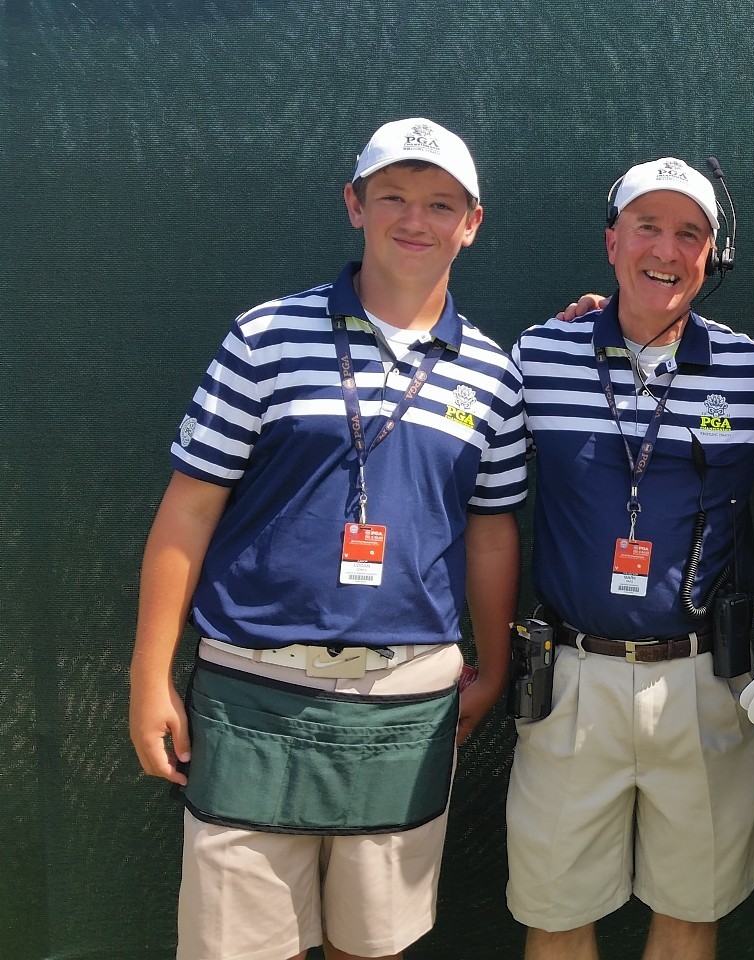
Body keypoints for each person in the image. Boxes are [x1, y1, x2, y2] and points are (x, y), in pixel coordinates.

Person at [127, 117, 525, 960]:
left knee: (371, 947)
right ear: (355, 204)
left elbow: (491, 536)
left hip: (408, 698)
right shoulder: (264, 338)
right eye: (393, 198)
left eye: (439, 204)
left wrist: (490, 669)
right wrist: (148, 675)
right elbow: (188, 510)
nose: (414, 221)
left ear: (472, 222)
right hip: (251, 689)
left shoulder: (494, 373)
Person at [506, 157, 754, 960]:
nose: (666, 250)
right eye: (647, 227)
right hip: (571, 675)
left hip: (705, 679)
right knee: (556, 914)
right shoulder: (541, 357)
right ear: (612, 240)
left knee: (690, 913)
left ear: (713, 256)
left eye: (689, 233)